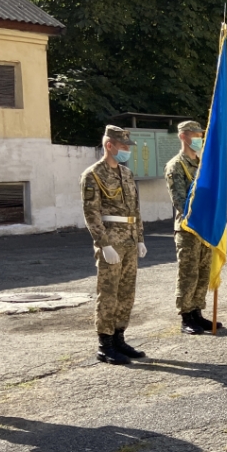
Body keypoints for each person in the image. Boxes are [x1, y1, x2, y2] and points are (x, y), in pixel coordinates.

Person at [81, 124, 147, 365]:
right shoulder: (93, 174)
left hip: (129, 239)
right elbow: (91, 212)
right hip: (111, 241)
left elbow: (135, 210)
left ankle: (119, 337)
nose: (127, 150)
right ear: (109, 145)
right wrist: (103, 243)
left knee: (126, 292)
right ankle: (105, 344)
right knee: (108, 292)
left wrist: (140, 237)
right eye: (123, 146)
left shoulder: (126, 174)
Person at [166, 120, 218, 335]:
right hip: (188, 229)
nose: (199, 139)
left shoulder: (203, 165)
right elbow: (179, 200)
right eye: (195, 135)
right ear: (183, 136)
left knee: (203, 271)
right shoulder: (176, 165)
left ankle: (197, 311)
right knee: (188, 273)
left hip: (204, 227)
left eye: (200, 135)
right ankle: (186, 315)